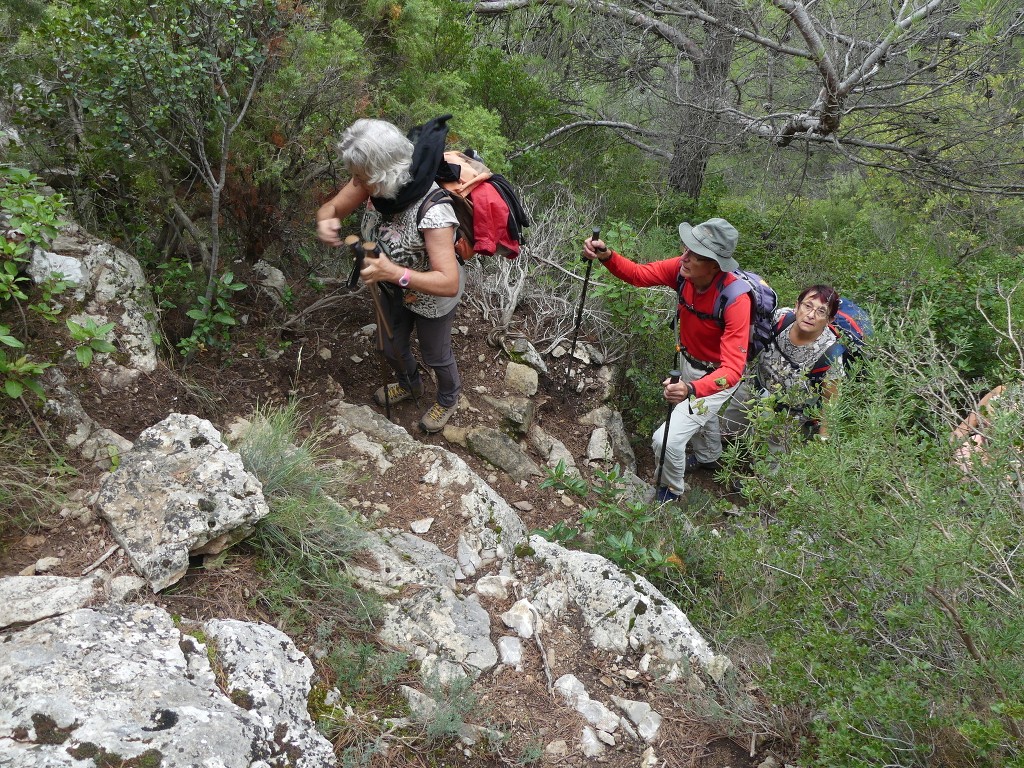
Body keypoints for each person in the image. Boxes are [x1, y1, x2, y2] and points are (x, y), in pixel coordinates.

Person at [583, 218, 750, 502]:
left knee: (666, 439)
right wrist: (608, 256)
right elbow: (638, 274)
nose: (684, 257)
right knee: (701, 420)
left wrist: (692, 390)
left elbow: (733, 369)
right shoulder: (683, 270)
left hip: (716, 378)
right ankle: (709, 458)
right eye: (687, 249)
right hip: (689, 363)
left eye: (696, 255)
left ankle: (671, 492)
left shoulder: (736, 300)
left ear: (715, 265)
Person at [315, 116, 463, 433]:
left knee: (436, 355)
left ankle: (449, 397)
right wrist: (326, 217)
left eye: (360, 177)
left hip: (431, 300)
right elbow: (332, 208)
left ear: (384, 173)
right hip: (392, 288)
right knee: (388, 345)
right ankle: (410, 384)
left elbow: (448, 283)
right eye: (354, 175)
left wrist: (394, 272)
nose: (355, 183)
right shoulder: (372, 184)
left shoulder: (433, 211)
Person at [701, 284, 847, 460]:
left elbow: (830, 403)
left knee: (772, 456)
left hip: (787, 412)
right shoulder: (780, 318)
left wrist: (824, 439)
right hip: (754, 387)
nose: (811, 315)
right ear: (797, 305)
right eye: (807, 306)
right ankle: (729, 458)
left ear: (829, 319)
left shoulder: (830, 354)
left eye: (821, 311)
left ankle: (758, 483)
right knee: (732, 426)